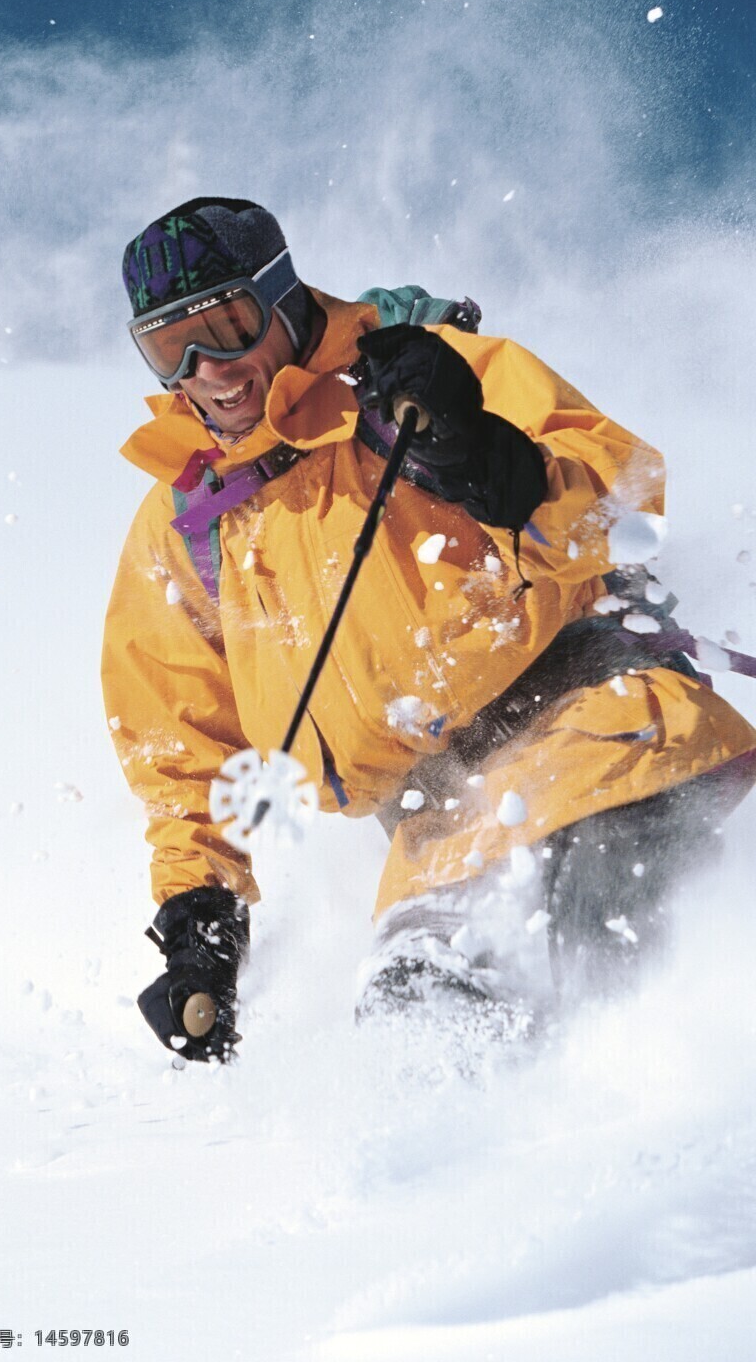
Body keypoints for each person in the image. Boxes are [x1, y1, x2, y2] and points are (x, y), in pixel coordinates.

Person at [102, 196, 756, 1062]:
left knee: (604, 1005)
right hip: (437, 826)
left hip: (595, 733)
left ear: (282, 296)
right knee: (419, 1045)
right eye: (167, 348)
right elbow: (177, 735)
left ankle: (675, 1161)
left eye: (227, 325)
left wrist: (489, 460)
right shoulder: (191, 515)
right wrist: (200, 915)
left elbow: (622, 499)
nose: (206, 368)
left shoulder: (416, 378)